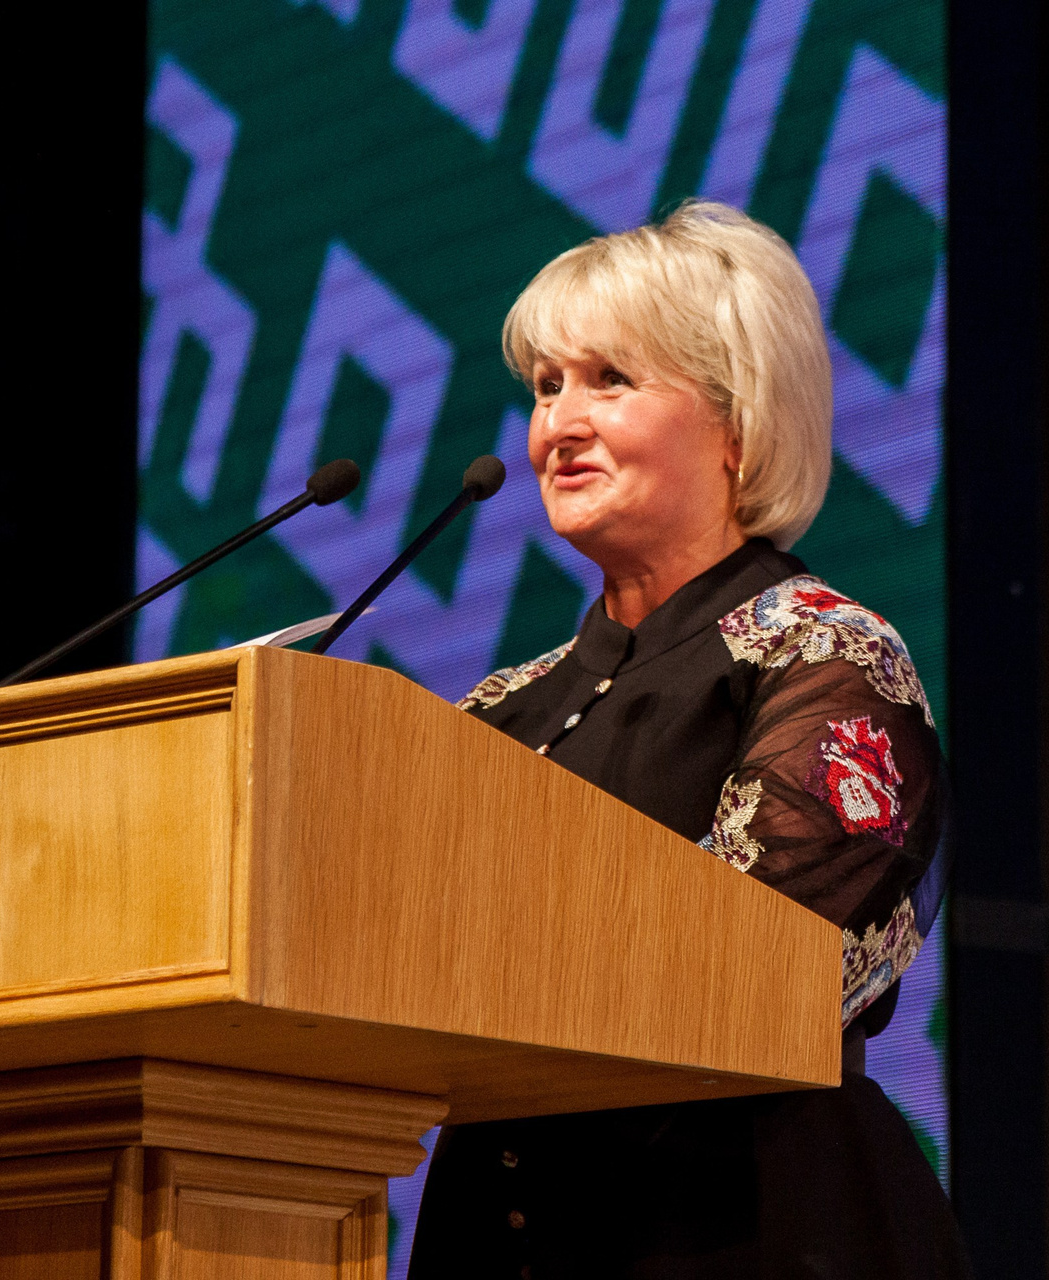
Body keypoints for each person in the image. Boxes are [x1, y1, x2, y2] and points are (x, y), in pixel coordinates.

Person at [408, 201, 971, 1279]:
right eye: (546, 386)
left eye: (609, 379)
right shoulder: (500, 709)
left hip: (749, 1227)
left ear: (737, 426)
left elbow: (758, 956)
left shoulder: (824, 655)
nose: (558, 424)